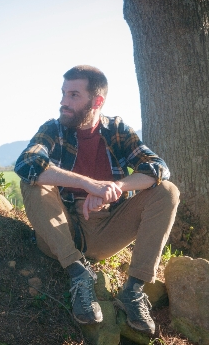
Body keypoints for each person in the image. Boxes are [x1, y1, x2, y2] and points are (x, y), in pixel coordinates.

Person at [14, 65, 180, 334]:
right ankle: (78, 274)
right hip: (60, 232)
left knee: (167, 191)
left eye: (74, 95)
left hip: (106, 230)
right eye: (64, 93)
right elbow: (27, 163)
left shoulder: (117, 130)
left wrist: (113, 189)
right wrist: (88, 184)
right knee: (33, 182)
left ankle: (134, 290)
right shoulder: (53, 130)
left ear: (97, 101)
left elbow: (157, 168)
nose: (64, 102)